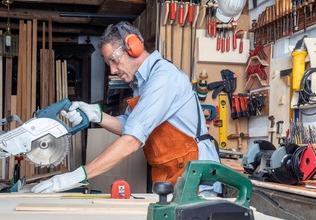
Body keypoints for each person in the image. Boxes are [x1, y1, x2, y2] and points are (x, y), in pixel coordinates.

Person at [31, 21, 221, 196]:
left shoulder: (163, 78)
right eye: (108, 64)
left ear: (134, 47)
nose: (112, 70)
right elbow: (129, 125)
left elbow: (132, 139)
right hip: (171, 171)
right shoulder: (141, 83)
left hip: (195, 174)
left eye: (114, 60)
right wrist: (96, 116)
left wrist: (76, 176)